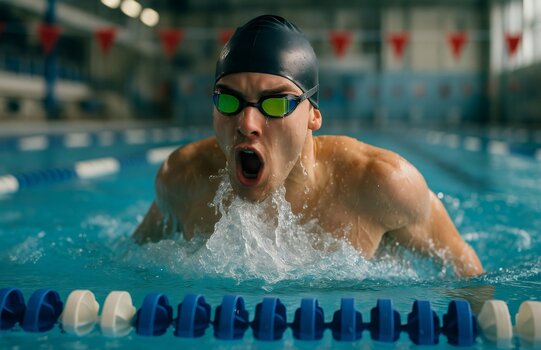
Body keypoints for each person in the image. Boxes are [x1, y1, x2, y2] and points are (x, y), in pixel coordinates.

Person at [133, 15, 483, 277]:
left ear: (313, 116)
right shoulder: (183, 178)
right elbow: (132, 261)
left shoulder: (384, 183)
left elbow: (467, 273)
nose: (247, 124)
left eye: (274, 104)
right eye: (229, 101)